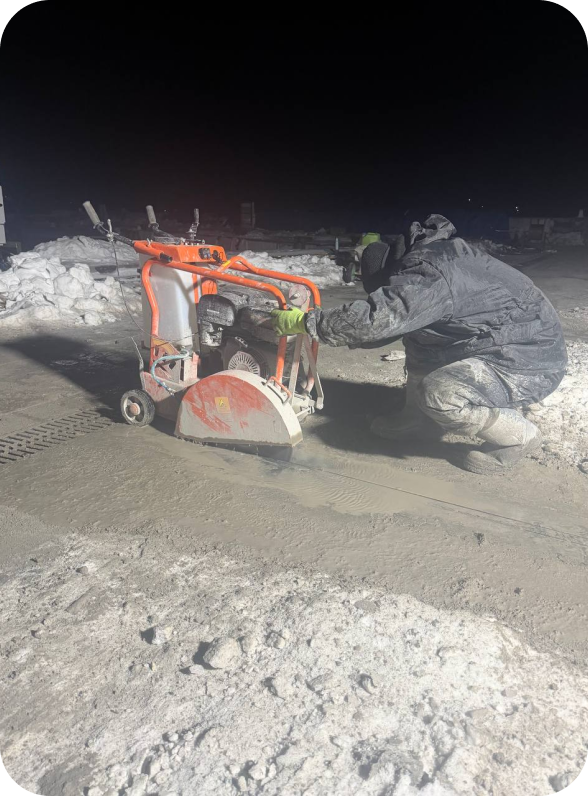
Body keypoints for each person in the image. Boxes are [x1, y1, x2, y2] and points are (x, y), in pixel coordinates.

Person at [271, 215, 567, 473]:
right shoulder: (432, 258)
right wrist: (357, 333)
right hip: (499, 340)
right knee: (420, 336)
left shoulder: (429, 275)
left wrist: (309, 322)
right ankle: (417, 421)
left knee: (440, 393)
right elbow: (393, 325)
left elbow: (377, 320)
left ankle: (519, 437)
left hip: (529, 360)